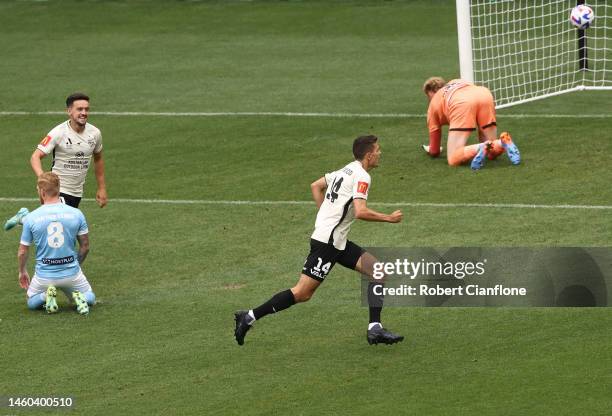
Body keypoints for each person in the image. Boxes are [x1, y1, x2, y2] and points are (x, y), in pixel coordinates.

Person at [234, 135, 404, 346]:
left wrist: (326, 216)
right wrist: (389, 218)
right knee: (302, 293)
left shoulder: (345, 169)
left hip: (336, 240)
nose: (380, 153)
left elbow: (316, 186)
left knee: (378, 272)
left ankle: (375, 329)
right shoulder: (362, 176)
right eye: (378, 150)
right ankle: (248, 316)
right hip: (328, 244)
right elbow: (360, 211)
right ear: (368, 155)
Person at [4, 92, 107, 230]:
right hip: (57, 188)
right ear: (69, 111)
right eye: (79, 109)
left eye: (86, 109)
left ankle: (24, 217)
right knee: (59, 226)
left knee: (53, 226)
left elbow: (98, 158)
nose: (84, 113)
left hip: (76, 191)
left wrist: (101, 188)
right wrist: (43, 179)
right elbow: (35, 157)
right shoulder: (58, 133)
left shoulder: (94, 133)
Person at [18, 172, 96, 315]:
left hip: (44, 277)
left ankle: (45, 296)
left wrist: (22, 271)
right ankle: (81, 298)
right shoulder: (76, 213)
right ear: (58, 189)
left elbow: (23, 251)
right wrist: (74, 265)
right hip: (72, 274)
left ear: (42, 191)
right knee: (90, 297)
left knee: (31, 301)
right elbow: (85, 246)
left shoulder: (31, 218)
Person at [422, 77, 521, 170]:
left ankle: (480, 147)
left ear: (430, 93)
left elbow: (434, 151)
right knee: (491, 151)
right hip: (484, 94)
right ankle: (502, 142)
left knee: (453, 158)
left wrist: (432, 149)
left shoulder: (433, 104)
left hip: (461, 102)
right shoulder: (456, 81)